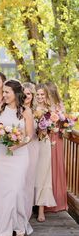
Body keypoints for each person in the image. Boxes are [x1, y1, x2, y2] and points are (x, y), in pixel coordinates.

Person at [0, 80, 34, 236]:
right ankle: (5, 228)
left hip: (19, 155)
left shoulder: (26, 111)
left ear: (16, 93)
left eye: (7, 92)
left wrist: (17, 145)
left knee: (16, 190)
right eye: (3, 92)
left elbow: (29, 135)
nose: (4, 95)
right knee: (2, 192)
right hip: (1, 154)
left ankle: (19, 224)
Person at [34, 84, 56, 222]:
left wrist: (48, 126)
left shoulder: (50, 111)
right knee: (31, 173)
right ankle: (29, 205)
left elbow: (52, 129)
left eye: (43, 94)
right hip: (32, 143)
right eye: (38, 94)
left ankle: (41, 209)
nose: (40, 97)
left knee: (43, 174)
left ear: (46, 96)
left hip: (44, 143)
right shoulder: (29, 109)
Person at [45, 81, 68, 212]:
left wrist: (64, 124)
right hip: (47, 137)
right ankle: (46, 202)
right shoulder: (44, 105)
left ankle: (58, 201)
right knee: (47, 167)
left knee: (57, 166)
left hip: (57, 139)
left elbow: (64, 121)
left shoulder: (59, 105)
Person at [23, 82, 40, 220]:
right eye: (23, 93)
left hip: (32, 146)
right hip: (19, 147)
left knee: (29, 179)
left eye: (28, 93)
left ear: (32, 95)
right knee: (19, 178)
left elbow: (39, 132)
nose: (26, 96)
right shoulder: (17, 109)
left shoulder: (37, 111)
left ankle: (27, 212)